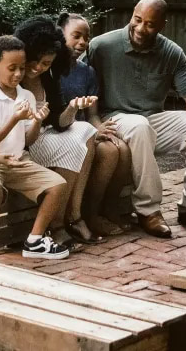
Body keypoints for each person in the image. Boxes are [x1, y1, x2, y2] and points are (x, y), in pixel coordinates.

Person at [0, 17, 101, 245]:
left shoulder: (47, 74)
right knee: (75, 144)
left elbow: (58, 122)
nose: (37, 68)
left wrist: (73, 108)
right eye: (34, 61)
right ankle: (56, 224)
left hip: (31, 139)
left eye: (45, 63)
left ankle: (72, 216)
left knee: (85, 131)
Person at [87, 0, 186, 238]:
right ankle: (148, 211)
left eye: (150, 24)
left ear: (162, 25)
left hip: (150, 119)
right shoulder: (102, 46)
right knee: (139, 126)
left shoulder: (171, 52)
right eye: (138, 20)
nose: (141, 28)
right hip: (114, 119)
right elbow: (80, 83)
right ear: (132, 14)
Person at [0, 35, 69, 261]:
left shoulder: (26, 96)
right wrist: (14, 118)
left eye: (21, 68)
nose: (18, 74)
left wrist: (38, 121)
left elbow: (28, 140)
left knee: (58, 185)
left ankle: (34, 240)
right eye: (11, 68)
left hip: (17, 161)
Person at [59, 12, 132, 236]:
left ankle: (103, 209)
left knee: (121, 148)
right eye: (76, 36)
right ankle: (88, 215)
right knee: (109, 153)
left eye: (86, 37)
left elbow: (92, 114)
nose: (82, 42)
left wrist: (99, 128)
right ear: (61, 35)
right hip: (62, 131)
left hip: (85, 131)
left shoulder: (87, 72)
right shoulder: (52, 68)